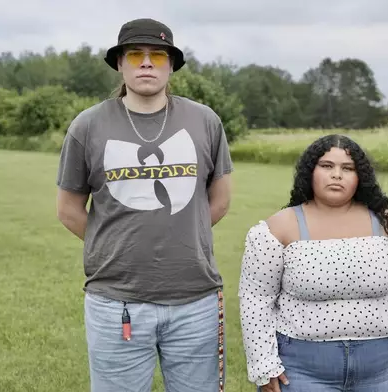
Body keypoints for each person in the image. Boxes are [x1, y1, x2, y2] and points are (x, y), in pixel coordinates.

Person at [55, 18, 233, 392]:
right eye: (136, 55)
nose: (147, 63)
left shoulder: (205, 121)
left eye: (158, 55)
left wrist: (183, 232)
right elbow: (69, 209)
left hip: (195, 301)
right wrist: (113, 240)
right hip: (115, 302)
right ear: (120, 63)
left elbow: (218, 201)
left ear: (171, 65)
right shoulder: (88, 126)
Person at [238, 134, 388, 392]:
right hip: (300, 368)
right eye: (327, 166)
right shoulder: (277, 229)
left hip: (383, 366)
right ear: (310, 172)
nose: (337, 175)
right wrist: (264, 364)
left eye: (347, 168)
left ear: (360, 176)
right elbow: (255, 299)